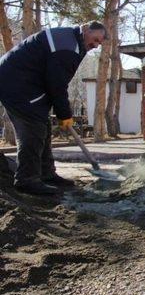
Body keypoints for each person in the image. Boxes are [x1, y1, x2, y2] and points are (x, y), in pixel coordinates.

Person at [0, 21, 107, 195]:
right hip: (17, 84)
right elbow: (57, 84)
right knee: (33, 130)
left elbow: (54, 80)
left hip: (24, 82)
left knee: (43, 126)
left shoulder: (70, 39)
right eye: (95, 40)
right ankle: (27, 180)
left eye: (99, 43)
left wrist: (61, 113)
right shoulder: (67, 48)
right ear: (86, 30)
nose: (95, 45)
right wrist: (64, 114)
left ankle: (46, 174)